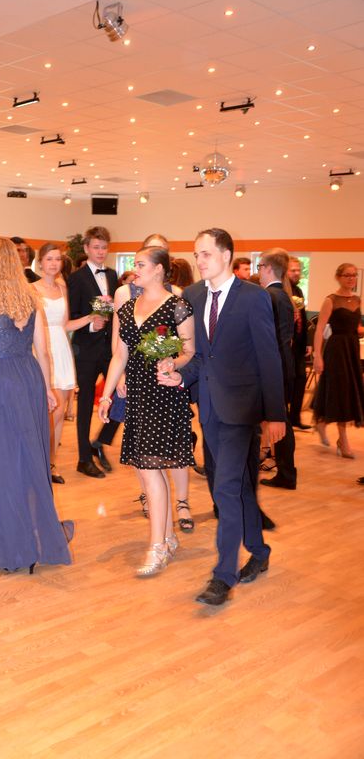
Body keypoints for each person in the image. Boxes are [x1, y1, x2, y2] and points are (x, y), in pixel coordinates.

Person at [159, 228, 285, 606]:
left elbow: (269, 357)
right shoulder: (194, 295)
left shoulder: (254, 297)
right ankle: (259, 552)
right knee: (237, 484)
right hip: (209, 408)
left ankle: (223, 576)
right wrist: (181, 377)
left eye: (206, 254)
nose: (199, 261)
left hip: (242, 409)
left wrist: (276, 414)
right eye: (196, 254)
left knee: (225, 489)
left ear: (226, 255)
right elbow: (200, 357)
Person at [0, 238, 72, 573]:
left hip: (0, 380)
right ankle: (34, 539)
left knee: (2, 460)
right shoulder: (31, 296)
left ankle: (12, 546)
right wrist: (48, 388)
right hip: (29, 378)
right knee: (29, 458)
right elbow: (44, 351)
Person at [99, 244, 195, 576]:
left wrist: (173, 363)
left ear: (159, 269)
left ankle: (156, 547)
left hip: (164, 395)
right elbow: (119, 355)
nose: (134, 269)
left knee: (151, 470)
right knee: (146, 470)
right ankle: (166, 539)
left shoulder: (178, 306)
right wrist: (106, 396)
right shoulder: (127, 307)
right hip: (138, 396)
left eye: (141, 264)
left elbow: (190, 351)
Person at [33, 242, 95, 484]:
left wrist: (90, 317)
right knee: (50, 412)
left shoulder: (62, 287)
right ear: (40, 262)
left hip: (61, 348)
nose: (53, 263)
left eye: (57, 259)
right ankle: (40, 463)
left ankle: (51, 464)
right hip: (41, 348)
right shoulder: (31, 289)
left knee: (59, 414)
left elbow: (66, 324)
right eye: (49, 259)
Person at [67, 226, 119, 478]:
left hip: (109, 349)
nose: (100, 252)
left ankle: (99, 441)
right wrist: (90, 323)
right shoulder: (76, 278)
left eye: (104, 247)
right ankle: (83, 459)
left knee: (122, 395)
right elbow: (71, 315)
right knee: (86, 404)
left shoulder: (112, 274)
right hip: (86, 350)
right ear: (87, 248)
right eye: (96, 247)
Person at [311, 263, 364, 457]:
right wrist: (317, 355)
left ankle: (321, 421)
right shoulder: (331, 300)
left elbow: (355, 327)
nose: (351, 278)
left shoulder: (357, 300)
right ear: (338, 277)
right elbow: (319, 329)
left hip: (352, 349)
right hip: (336, 350)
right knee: (339, 391)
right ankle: (343, 439)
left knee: (346, 390)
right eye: (347, 275)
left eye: (354, 275)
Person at [257, 249, 296, 490]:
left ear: (269, 268)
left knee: (279, 420)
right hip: (283, 363)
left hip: (274, 366)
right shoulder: (281, 295)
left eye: (260, 267)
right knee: (278, 419)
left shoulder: (270, 296)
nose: (258, 272)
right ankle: (285, 471)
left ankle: (286, 473)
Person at [288, 257, 311, 429]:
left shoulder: (298, 291)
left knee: (300, 380)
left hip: (299, 345)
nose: (297, 273)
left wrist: (307, 342)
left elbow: (303, 317)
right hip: (286, 346)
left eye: (298, 270)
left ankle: (295, 417)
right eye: (293, 270)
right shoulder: (281, 292)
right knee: (288, 382)